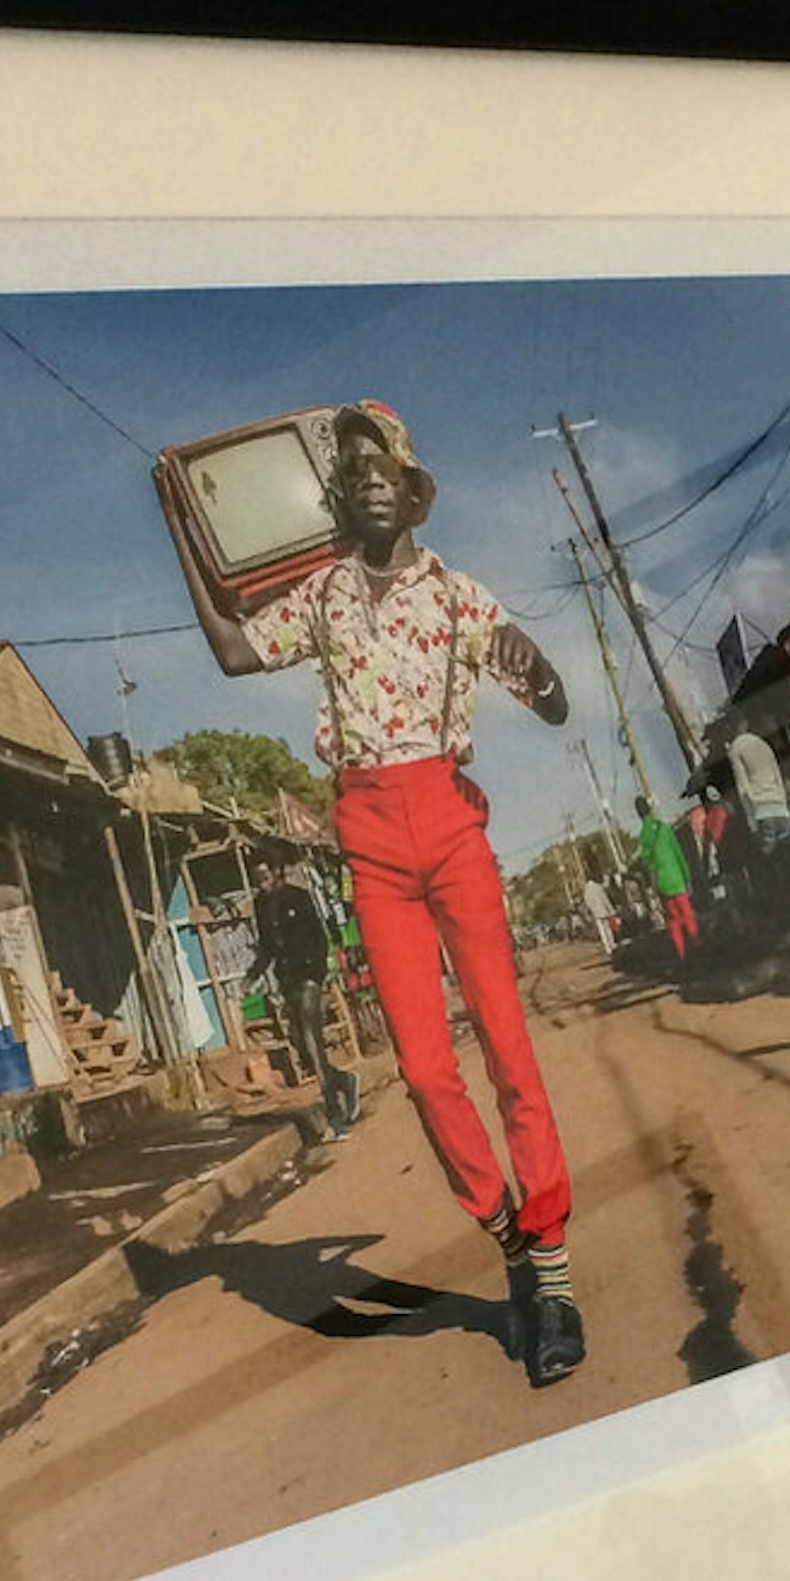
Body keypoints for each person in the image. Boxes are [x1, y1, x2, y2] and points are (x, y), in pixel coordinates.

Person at [172, 402, 586, 1387]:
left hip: (444, 814)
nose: (366, 478)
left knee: (508, 1049)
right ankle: (509, 1234)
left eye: (383, 467)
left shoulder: (458, 598)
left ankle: (555, 1275)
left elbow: (549, 689)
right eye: (350, 469)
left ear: (410, 492)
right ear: (340, 501)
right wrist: (185, 521)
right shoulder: (320, 594)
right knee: (425, 1065)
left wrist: (531, 671)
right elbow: (235, 649)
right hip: (366, 831)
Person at [252, 853, 358, 1131]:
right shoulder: (260, 904)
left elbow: (319, 938)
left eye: (265, 877)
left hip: (309, 977)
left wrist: (317, 973)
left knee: (313, 1040)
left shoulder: (298, 897)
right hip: (287, 981)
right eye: (257, 880)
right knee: (302, 1045)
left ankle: (335, 1115)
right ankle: (343, 1081)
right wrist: (251, 976)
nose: (262, 884)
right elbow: (266, 946)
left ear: (277, 872)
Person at [634, 802, 697, 959]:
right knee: (688, 913)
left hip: (662, 882)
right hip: (676, 876)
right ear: (649, 809)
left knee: (674, 920)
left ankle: (682, 952)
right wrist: (686, 874)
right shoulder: (664, 828)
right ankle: (697, 944)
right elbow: (678, 852)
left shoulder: (643, 836)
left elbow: (645, 862)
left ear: (638, 815)